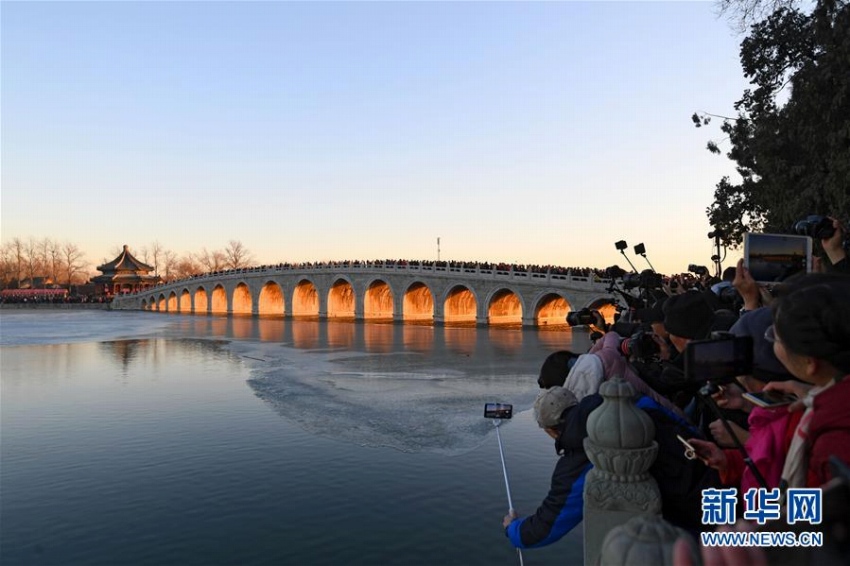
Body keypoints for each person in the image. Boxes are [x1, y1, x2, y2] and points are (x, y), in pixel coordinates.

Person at [502, 383, 720, 549]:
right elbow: (682, 424)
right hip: (717, 476)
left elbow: (547, 526)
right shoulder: (632, 400)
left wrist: (513, 530)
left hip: (690, 516)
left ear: (550, 431)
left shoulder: (581, 455)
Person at [762, 273, 850, 487]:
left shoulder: (835, 443)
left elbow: (823, 516)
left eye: (777, 337)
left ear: (810, 362)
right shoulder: (833, 403)